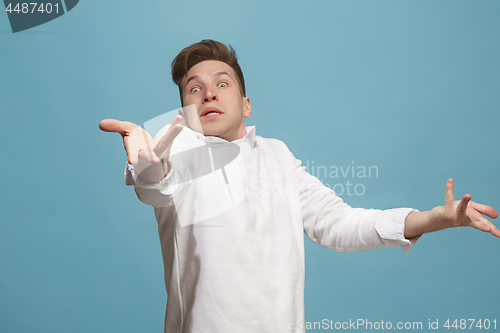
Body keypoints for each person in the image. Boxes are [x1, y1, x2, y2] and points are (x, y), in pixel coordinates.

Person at [99, 40, 498, 333]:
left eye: (222, 83)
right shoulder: (180, 151)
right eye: (194, 88)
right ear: (185, 111)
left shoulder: (278, 156)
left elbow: (338, 223)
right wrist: (148, 168)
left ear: (247, 103)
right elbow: (157, 186)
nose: (208, 94)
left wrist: (431, 218)